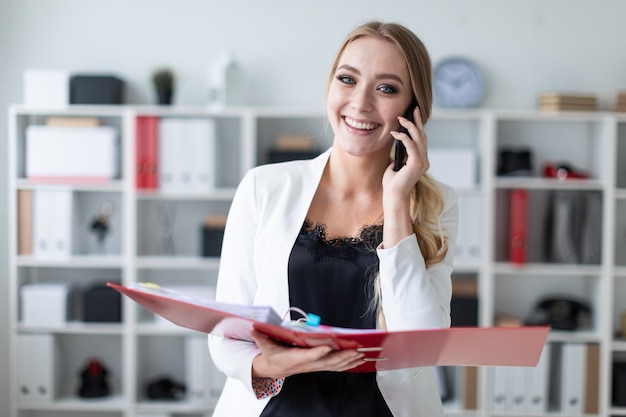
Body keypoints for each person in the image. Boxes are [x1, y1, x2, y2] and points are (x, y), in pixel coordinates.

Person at [208, 20, 458, 417]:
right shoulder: (263, 187)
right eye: (347, 79)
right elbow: (226, 334)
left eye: (386, 88)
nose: (360, 103)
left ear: (413, 110)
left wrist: (396, 202)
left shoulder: (435, 202)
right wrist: (270, 366)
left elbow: (422, 341)